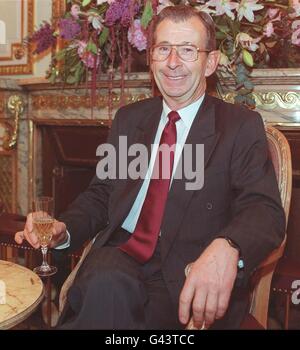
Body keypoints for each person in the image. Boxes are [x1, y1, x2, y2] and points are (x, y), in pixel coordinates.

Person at [15, 5, 285, 330]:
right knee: (106, 279)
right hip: (122, 256)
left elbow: (264, 210)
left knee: (103, 295)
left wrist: (230, 246)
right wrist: (63, 229)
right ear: (151, 57)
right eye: (163, 49)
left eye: (187, 50)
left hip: (189, 274)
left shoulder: (238, 126)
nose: (173, 62)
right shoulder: (130, 120)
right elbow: (102, 195)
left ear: (210, 62)